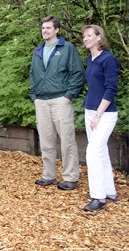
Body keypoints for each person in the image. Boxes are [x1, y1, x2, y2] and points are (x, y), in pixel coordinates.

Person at [30, 15, 85, 190]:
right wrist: (34, 96)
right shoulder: (38, 51)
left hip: (60, 99)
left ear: (56, 30)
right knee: (46, 141)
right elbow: (33, 75)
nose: (44, 31)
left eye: (48, 28)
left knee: (67, 140)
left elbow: (77, 73)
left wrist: (68, 95)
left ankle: (70, 177)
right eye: (43, 28)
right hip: (42, 101)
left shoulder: (67, 48)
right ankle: (49, 175)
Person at [81, 25, 120, 212]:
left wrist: (98, 114)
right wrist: (92, 112)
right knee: (101, 151)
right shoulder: (90, 59)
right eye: (84, 36)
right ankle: (109, 191)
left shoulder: (108, 59)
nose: (85, 39)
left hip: (105, 113)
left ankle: (98, 197)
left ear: (99, 38)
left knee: (93, 152)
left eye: (89, 36)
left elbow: (111, 88)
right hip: (90, 111)